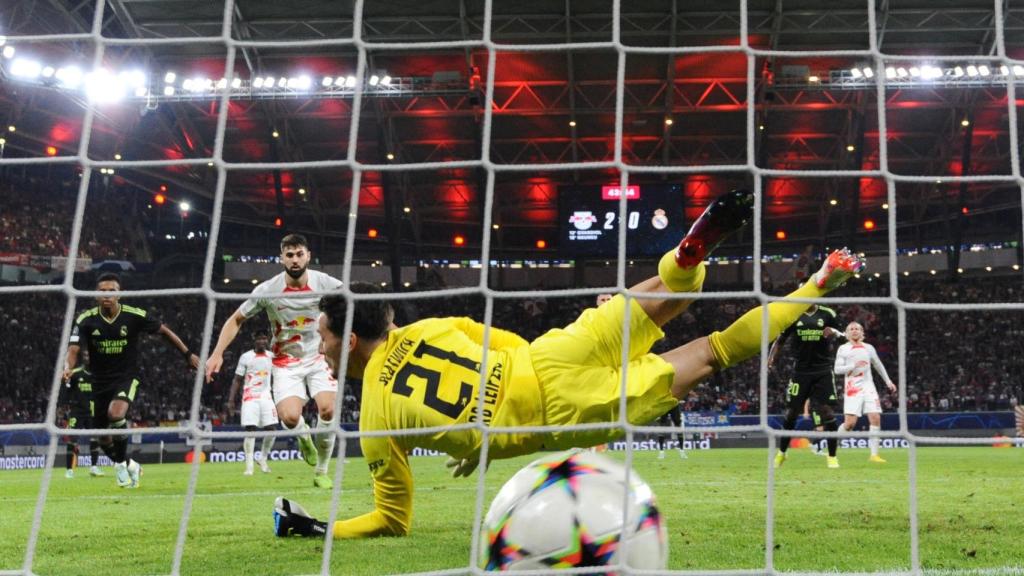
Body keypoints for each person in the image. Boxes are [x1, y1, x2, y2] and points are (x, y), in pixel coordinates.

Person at [273, 189, 866, 539]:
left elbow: (392, 520)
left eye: (322, 338)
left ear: (349, 342)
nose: (318, 348)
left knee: (711, 352)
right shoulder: (429, 326)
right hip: (552, 352)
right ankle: (689, 253)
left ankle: (817, 284)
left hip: (559, 412)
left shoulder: (376, 416)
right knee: (667, 293)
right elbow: (503, 344)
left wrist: (319, 528)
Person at [206, 233, 342, 489]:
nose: (294, 259)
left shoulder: (327, 283)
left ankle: (322, 471)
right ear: (281, 258)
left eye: (299, 254)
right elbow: (236, 319)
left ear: (308, 256)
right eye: (289, 255)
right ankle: (303, 437)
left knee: (329, 409)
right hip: (284, 361)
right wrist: (217, 353)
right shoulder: (268, 290)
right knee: (290, 418)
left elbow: (357, 302)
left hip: (319, 357)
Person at [64, 273, 199, 488]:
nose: (107, 295)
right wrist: (67, 368)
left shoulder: (134, 315)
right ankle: (129, 464)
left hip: (126, 377)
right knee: (102, 438)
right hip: (99, 383)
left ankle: (119, 469)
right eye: (102, 291)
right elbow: (73, 349)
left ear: (120, 294)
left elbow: (164, 331)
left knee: (116, 414)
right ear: (95, 295)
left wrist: (188, 354)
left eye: (112, 291)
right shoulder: (85, 319)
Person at [767, 303, 844, 469]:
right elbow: (780, 340)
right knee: (791, 413)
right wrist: (771, 358)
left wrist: (834, 332)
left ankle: (832, 457)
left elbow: (843, 337)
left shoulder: (828, 313)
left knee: (827, 411)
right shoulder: (793, 315)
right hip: (800, 372)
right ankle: (782, 453)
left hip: (823, 370)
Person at [833, 321, 897, 463]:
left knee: (875, 418)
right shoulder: (843, 349)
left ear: (862, 332)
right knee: (849, 424)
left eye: (857, 329)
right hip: (852, 388)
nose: (855, 331)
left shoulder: (869, 348)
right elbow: (837, 370)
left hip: (869, 387)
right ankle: (834, 444)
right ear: (847, 333)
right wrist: (852, 365)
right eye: (851, 329)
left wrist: (888, 381)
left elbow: (878, 364)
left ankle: (874, 455)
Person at [228, 331, 278, 475]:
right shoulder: (246, 357)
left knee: (272, 430)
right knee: (251, 431)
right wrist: (231, 399)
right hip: (250, 398)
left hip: (267, 397)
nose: (262, 341)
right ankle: (249, 467)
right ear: (254, 340)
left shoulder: (272, 357)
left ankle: (263, 458)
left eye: (264, 338)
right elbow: (237, 379)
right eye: (259, 338)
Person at [60, 351, 104, 479]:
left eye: (89, 355)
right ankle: (69, 470)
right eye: (85, 355)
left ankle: (94, 467)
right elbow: (66, 389)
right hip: (77, 412)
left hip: (92, 412)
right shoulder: (75, 373)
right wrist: (65, 404)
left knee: (95, 438)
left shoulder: (98, 375)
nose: (87, 357)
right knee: (72, 439)